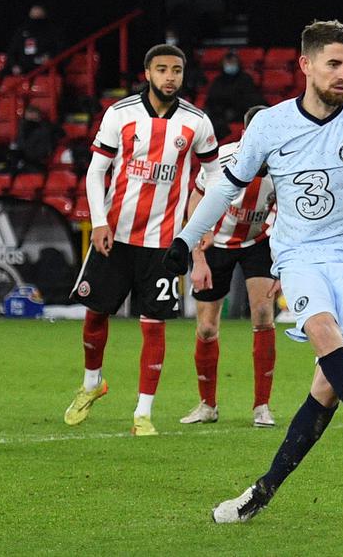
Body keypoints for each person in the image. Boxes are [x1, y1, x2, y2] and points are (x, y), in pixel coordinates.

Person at [162, 20, 343, 523]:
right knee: (323, 333)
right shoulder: (271, 125)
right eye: (334, 64)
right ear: (306, 65)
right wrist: (186, 240)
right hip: (299, 257)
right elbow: (223, 188)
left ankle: (261, 492)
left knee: (327, 387)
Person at [62, 44, 220, 436]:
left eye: (177, 70)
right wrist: (99, 222)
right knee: (96, 313)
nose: (170, 77)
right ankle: (91, 384)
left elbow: (215, 177)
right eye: (162, 69)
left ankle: (143, 413)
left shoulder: (197, 122)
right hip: (115, 236)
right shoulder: (120, 114)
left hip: (165, 242)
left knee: (154, 325)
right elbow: (96, 171)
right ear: (147, 72)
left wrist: (202, 225)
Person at [179, 105, 278, 428]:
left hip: (257, 242)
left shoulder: (285, 164)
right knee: (207, 327)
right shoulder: (221, 159)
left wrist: (282, 265)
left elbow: (292, 215)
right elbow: (195, 201)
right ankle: (207, 405)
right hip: (215, 244)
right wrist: (197, 257)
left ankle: (262, 406)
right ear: (247, 134)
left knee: (263, 316)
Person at [203, 50, 265, 138]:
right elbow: (211, 100)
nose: (230, 65)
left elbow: (251, 99)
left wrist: (235, 110)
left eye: (232, 62)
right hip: (219, 114)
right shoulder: (218, 81)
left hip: (239, 113)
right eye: (228, 63)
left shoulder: (245, 79)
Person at [5, 5, 62, 75]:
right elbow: (12, 51)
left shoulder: (52, 32)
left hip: (43, 69)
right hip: (23, 68)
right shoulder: (22, 31)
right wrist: (14, 65)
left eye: (39, 17)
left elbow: (59, 49)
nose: (36, 20)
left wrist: (50, 57)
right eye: (34, 17)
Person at [8, 104, 62, 174]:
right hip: (20, 164)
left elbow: (42, 153)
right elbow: (15, 147)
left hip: (36, 165)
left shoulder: (45, 130)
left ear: (38, 117)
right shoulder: (22, 129)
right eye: (28, 118)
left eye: (33, 118)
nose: (30, 121)